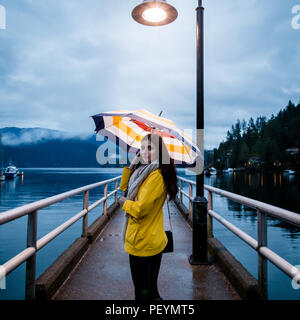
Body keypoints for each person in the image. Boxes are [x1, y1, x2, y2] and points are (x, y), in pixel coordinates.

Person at [118, 133, 178, 301]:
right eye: (142, 148)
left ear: (160, 152)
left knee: (142, 292)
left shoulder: (155, 175)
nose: (145, 152)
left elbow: (140, 209)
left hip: (143, 240)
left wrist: (124, 203)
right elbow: (125, 188)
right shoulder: (143, 171)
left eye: (150, 148)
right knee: (149, 289)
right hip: (145, 238)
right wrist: (131, 165)